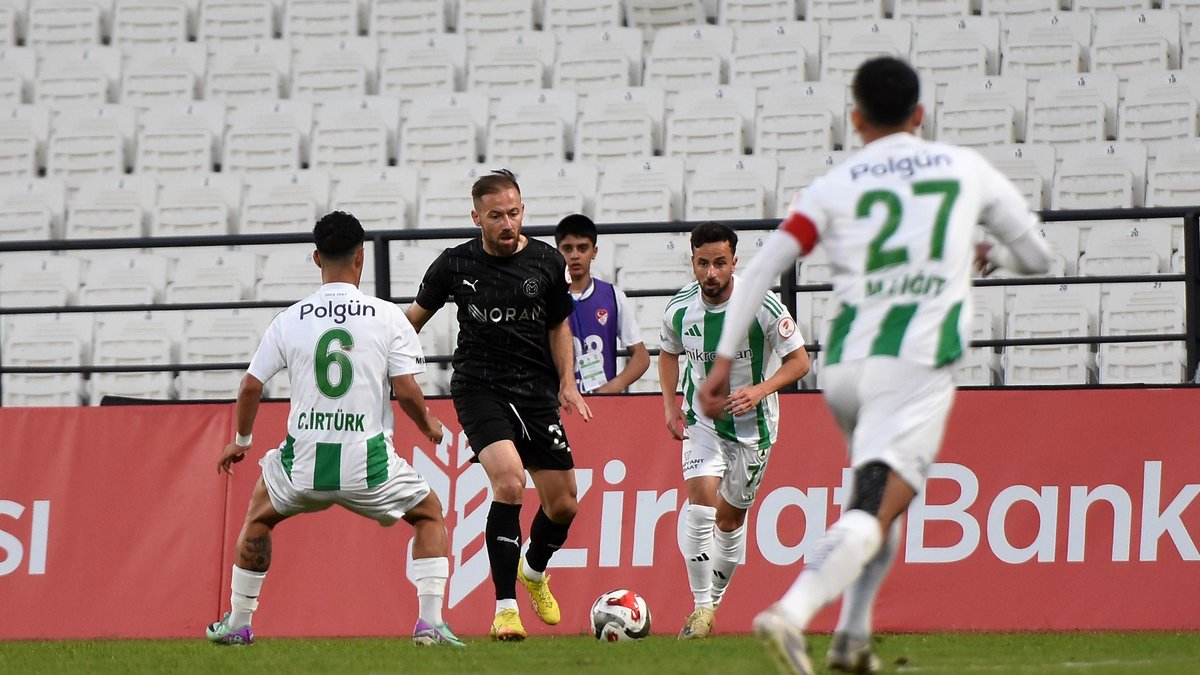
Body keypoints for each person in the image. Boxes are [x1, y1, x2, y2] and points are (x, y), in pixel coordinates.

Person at [699, 57, 1052, 675]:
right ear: (920, 114)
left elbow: (758, 270)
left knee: (879, 499)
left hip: (844, 369)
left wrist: (720, 362)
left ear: (856, 118)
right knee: (873, 509)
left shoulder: (836, 184)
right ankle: (790, 612)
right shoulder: (963, 168)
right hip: (914, 366)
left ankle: (852, 639)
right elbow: (1038, 255)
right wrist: (986, 250)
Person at [207, 211, 463, 648]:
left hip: (302, 465)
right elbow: (405, 391)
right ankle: (429, 624)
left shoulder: (290, 319)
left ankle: (238, 623)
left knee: (257, 520)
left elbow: (250, 386)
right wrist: (429, 427)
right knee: (429, 514)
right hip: (370, 467)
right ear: (361, 258)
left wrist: (242, 441)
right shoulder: (387, 318)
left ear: (315, 258)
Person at [405, 169, 593, 641]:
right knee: (509, 483)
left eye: (513, 213)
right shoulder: (453, 265)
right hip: (479, 388)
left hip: (536, 392)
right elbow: (410, 323)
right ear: (477, 218)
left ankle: (533, 570)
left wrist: (567, 383)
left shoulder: (548, 263)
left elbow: (558, 327)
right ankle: (505, 609)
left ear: (522, 210)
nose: (507, 223)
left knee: (565, 505)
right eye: (496, 216)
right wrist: (382, 358)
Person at [659, 221, 811, 640]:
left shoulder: (761, 304)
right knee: (701, 504)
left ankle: (714, 604)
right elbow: (668, 353)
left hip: (753, 429)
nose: (711, 273)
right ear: (692, 261)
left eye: (720, 263)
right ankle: (700, 606)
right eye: (703, 263)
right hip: (702, 421)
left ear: (734, 262)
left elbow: (800, 361)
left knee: (729, 521)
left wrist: (760, 390)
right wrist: (670, 404)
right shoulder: (678, 308)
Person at [554, 214, 650, 393]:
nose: (575, 255)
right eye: (567, 248)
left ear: (594, 252)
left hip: (602, 403)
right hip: (558, 402)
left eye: (582, 248)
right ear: (557, 251)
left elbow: (641, 355)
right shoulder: (547, 297)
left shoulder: (613, 296)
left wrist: (615, 385)